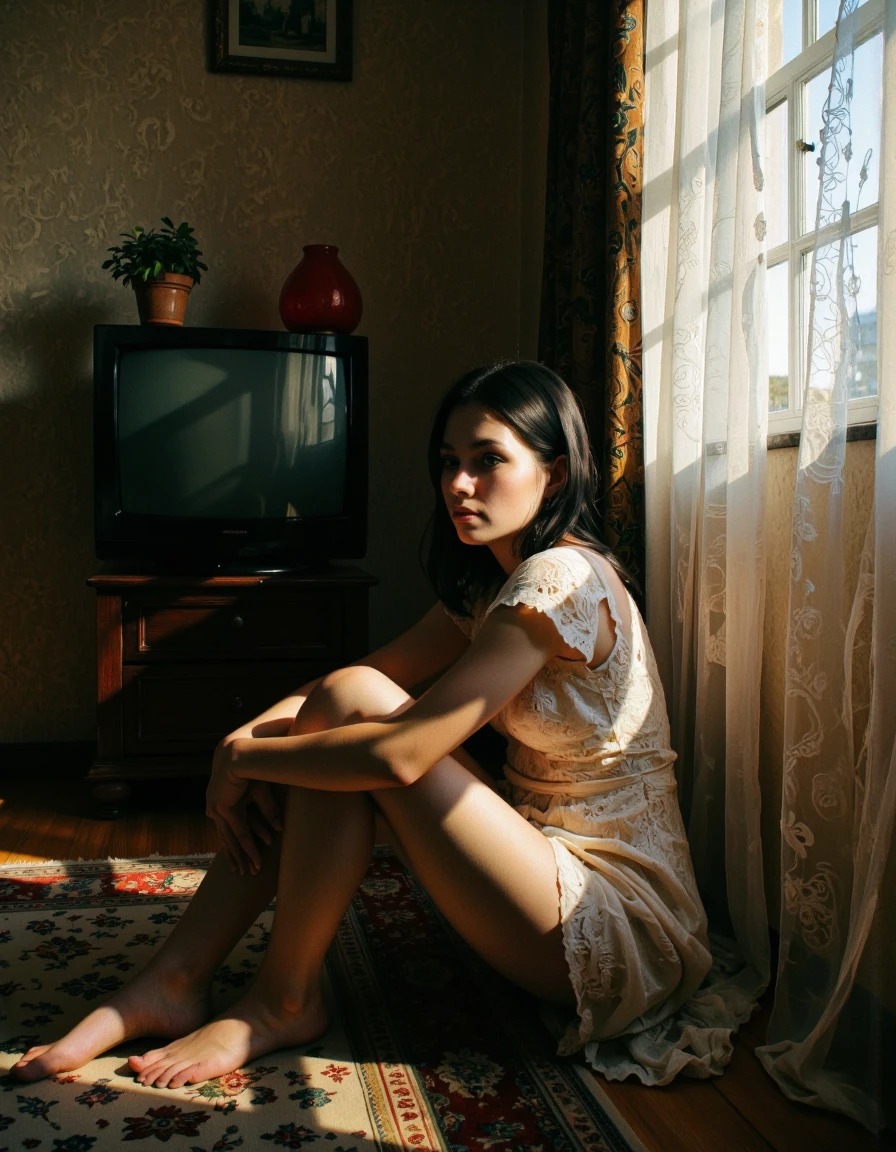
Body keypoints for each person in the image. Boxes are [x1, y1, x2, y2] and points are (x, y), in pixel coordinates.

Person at [11, 360, 713, 1090]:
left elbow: (404, 753)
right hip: (541, 864)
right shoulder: (495, 584)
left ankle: (279, 998)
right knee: (337, 707)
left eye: (488, 461)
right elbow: (360, 677)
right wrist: (243, 738)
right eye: (449, 463)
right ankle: (176, 978)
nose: (458, 485)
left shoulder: (560, 579)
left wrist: (248, 762)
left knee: (351, 715)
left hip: (617, 923)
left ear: (556, 474)